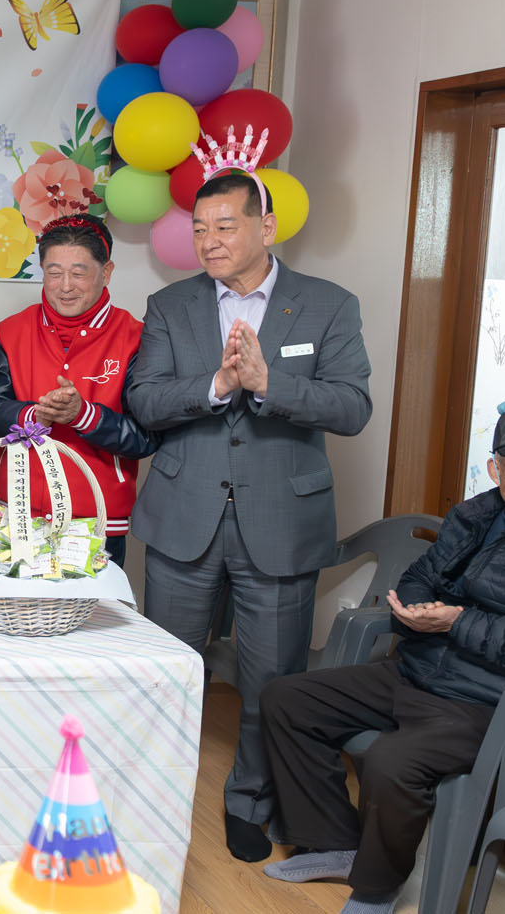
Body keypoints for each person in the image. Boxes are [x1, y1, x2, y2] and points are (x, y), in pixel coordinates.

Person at [129, 165, 372, 863]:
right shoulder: (169, 305)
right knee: (170, 672)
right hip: (184, 516)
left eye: (225, 226)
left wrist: (270, 383)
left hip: (281, 523)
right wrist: (215, 384)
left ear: (266, 227)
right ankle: (152, 801)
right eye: (199, 228)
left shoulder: (328, 304)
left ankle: (250, 803)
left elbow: (352, 406)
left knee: (273, 681)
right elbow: (145, 399)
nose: (209, 241)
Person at [258, 414, 505, 914]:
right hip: (415, 669)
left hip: (482, 702)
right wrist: (413, 609)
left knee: (392, 763)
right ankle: (336, 843)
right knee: (287, 699)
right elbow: (419, 575)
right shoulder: (476, 514)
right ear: (495, 468)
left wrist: (456, 621)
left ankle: (375, 890)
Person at [0, 214, 157, 564]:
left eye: (79, 273)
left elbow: (144, 437)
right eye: (54, 272)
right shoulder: (11, 331)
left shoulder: (136, 337)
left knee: (89, 602)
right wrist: (32, 415)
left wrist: (83, 415)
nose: (65, 286)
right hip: (18, 513)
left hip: (96, 519)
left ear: (106, 272)